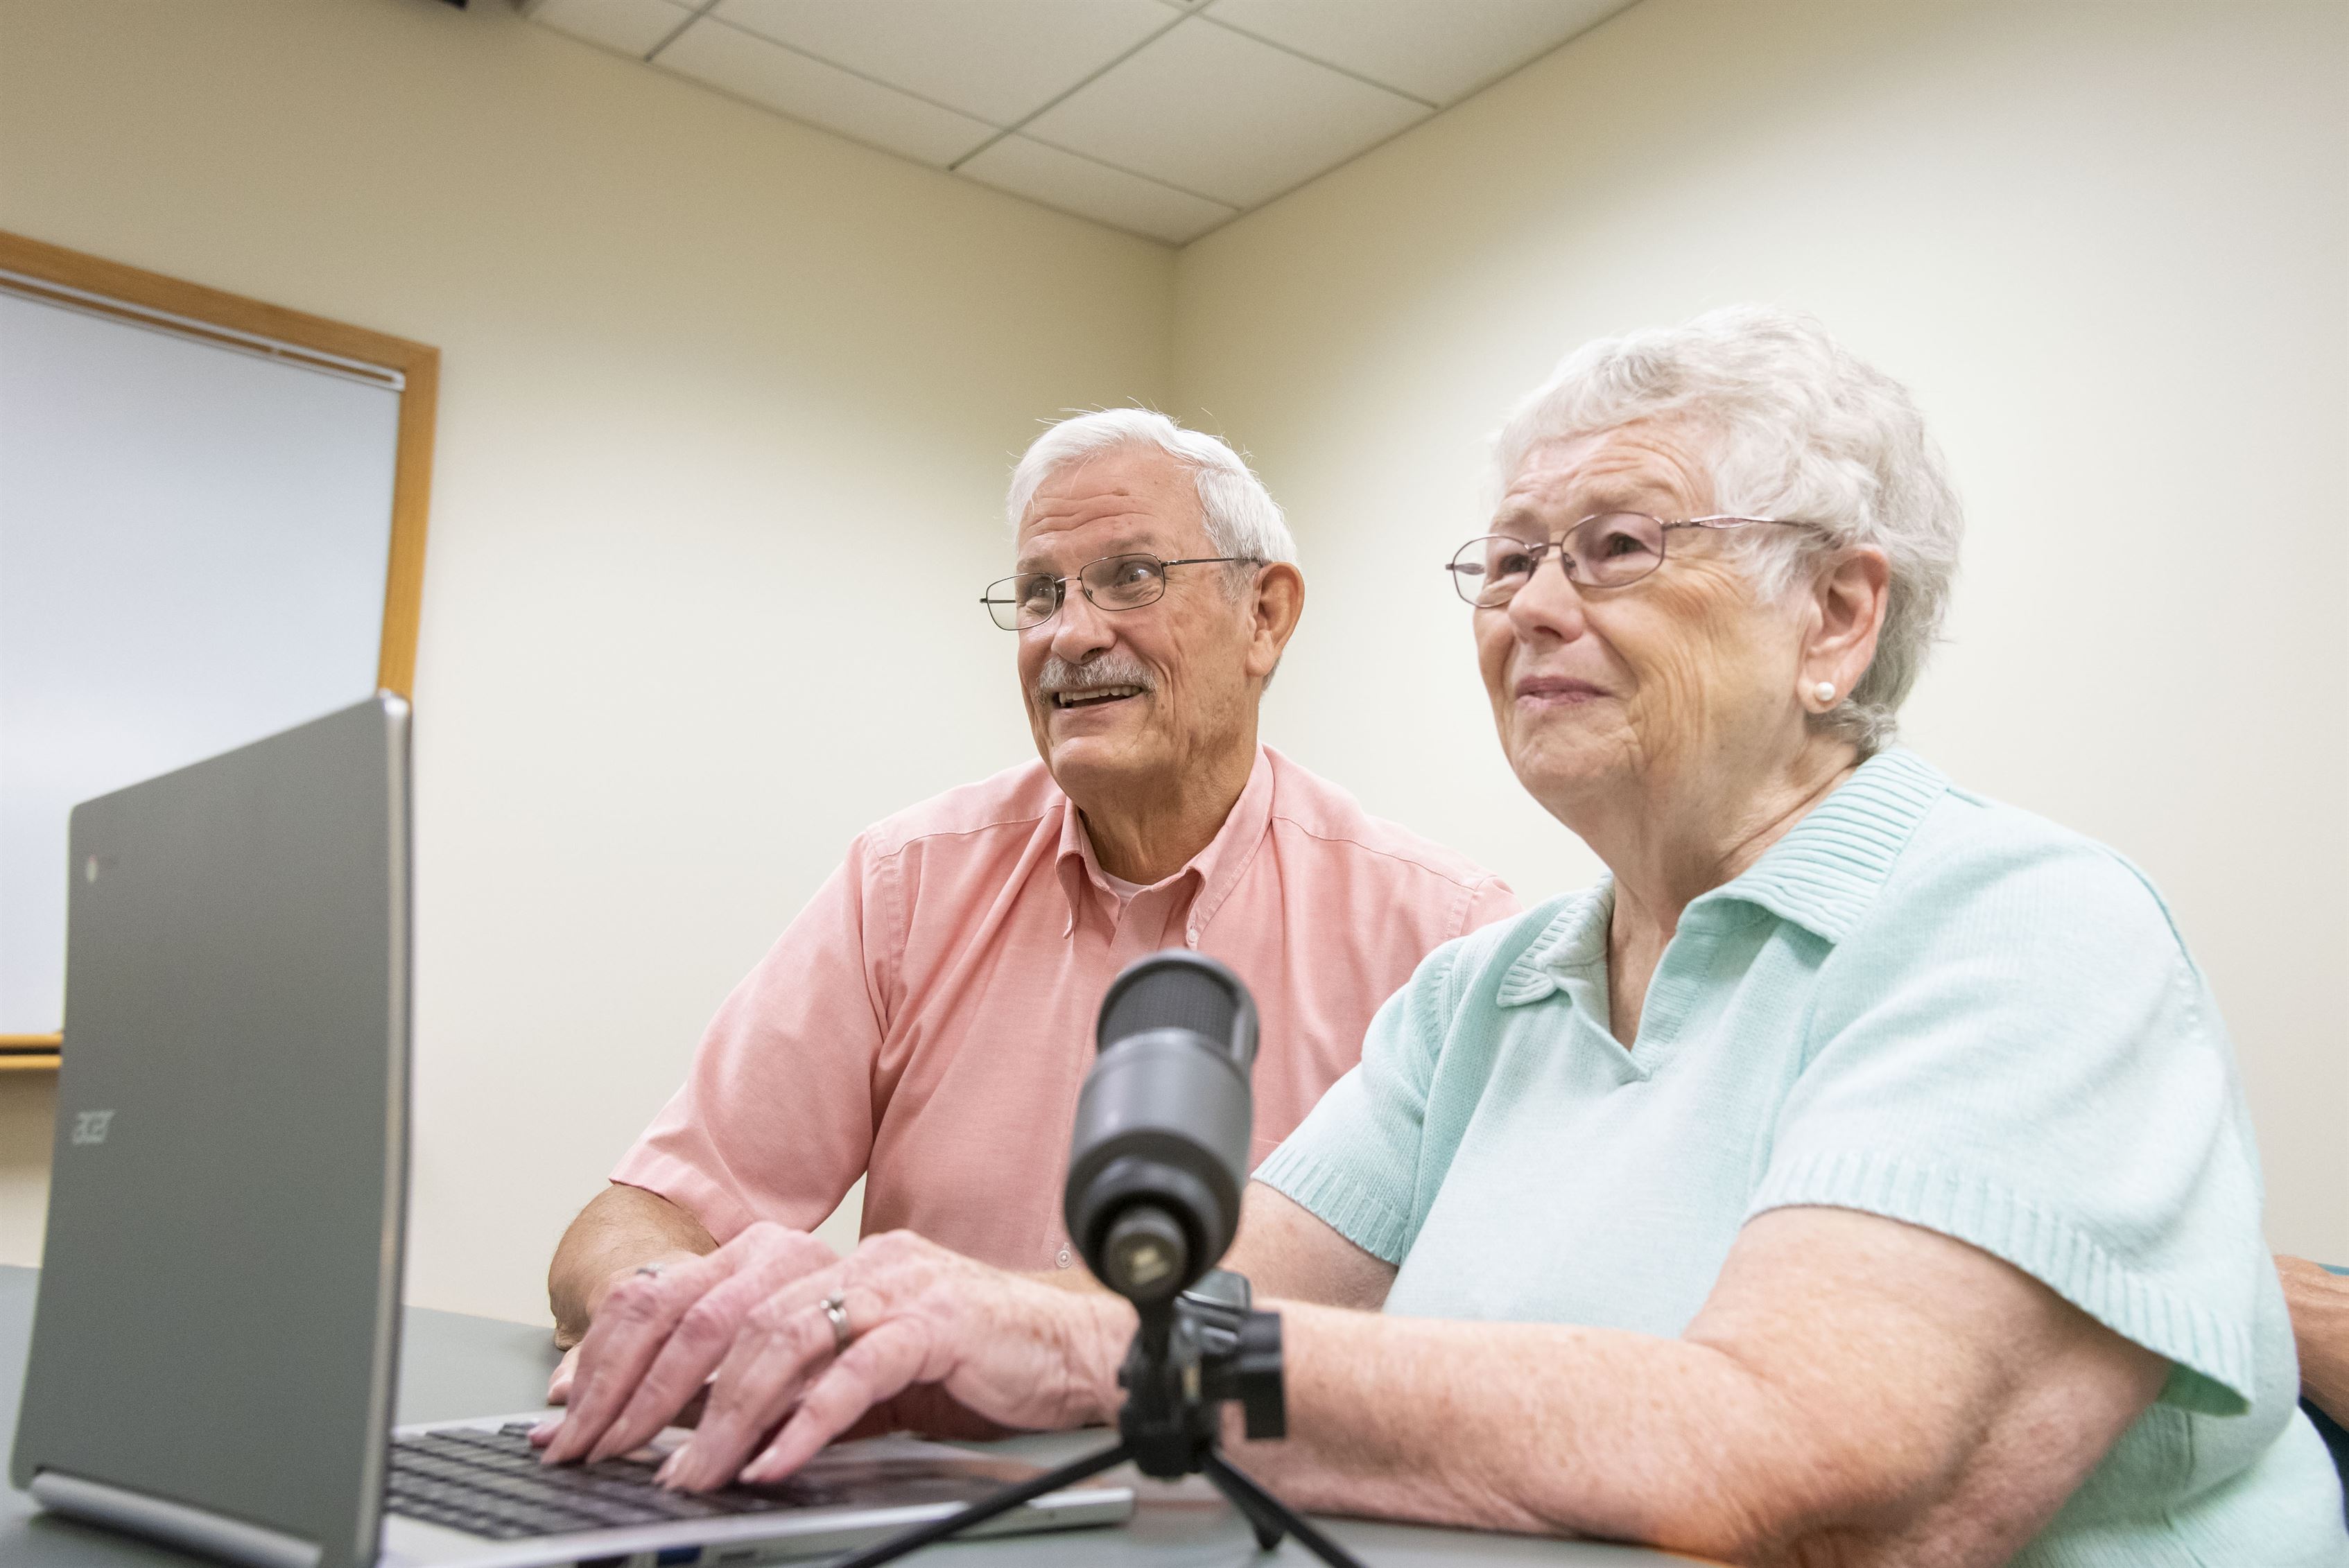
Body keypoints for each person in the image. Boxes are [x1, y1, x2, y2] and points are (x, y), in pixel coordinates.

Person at [537, 307, 2346, 1562]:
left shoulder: (2024, 924)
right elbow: (1174, 1308)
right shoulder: (1488, 988)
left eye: (1616, 544)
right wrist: (834, 1303)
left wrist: (1081, 1349)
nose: (1528, 607)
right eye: (1502, 560)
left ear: (1835, 616)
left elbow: (1796, 1450)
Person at [542, 410, 1516, 1393]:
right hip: (912, 1502)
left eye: (1131, 577)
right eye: (1042, 592)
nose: (1071, 634)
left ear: (1263, 615)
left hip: (1246, 1511)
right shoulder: (904, 884)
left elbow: (1488, 1345)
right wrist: (658, 1298)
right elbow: (646, 1213)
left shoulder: (1443, 939)